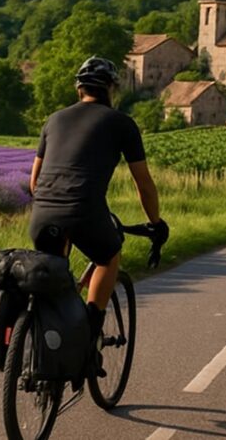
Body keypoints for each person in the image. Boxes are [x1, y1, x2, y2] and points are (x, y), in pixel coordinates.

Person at [28, 55, 168, 344]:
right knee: (107, 256)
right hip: (84, 211)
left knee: (56, 273)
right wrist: (156, 222)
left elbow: (34, 182)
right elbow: (143, 183)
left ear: (79, 89)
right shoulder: (121, 123)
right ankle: (90, 331)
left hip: (42, 212)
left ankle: (49, 341)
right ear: (110, 89)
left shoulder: (54, 119)